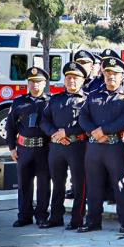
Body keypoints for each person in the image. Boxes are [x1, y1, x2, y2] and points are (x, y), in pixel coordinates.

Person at [78, 57, 124, 233]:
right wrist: (93, 132)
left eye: (115, 73)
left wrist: (103, 131)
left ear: (122, 76)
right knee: (93, 185)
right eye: (108, 73)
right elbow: (83, 117)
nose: (111, 76)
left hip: (114, 146)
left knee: (119, 185)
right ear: (103, 74)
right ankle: (93, 221)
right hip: (94, 148)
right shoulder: (94, 95)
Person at [40, 62, 88, 230]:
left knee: (79, 183)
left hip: (77, 146)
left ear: (83, 80)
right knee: (58, 183)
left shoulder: (86, 100)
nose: (71, 81)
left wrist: (66, 133)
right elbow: (44, 120)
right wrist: (55, 134)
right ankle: (55, 217)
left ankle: (77, 219)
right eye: (68, 78)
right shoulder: (55, 99)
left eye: (75, 78)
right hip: (56, 147)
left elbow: (87, 123)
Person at [6, 66, 51, 228]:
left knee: (44, 184)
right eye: (31, 82)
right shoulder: (19, 102)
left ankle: (41, 216)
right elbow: (10, 127)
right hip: (23, 150)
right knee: (24, 184)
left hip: (43, 149)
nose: (35, 85)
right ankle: (24, 216)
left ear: (44, 83)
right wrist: (12, 148)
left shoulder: (49, 102)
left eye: (38, 82)